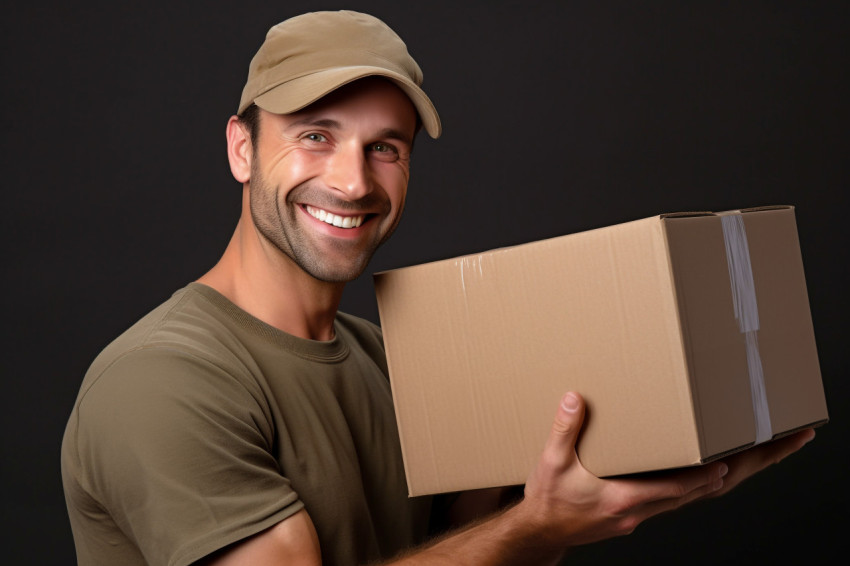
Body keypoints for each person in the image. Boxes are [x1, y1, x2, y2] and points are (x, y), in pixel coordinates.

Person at [61, 10, 815, 566]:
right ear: (242, 149)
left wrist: (629, 461)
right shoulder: (161, 380)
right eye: (316, 135)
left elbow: (482, 545)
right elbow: (516, 537)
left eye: (383, 147)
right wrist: (540, 526)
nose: (354, 182)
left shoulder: (393, 361)